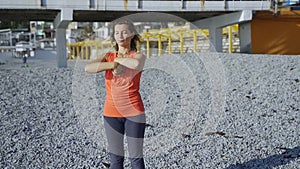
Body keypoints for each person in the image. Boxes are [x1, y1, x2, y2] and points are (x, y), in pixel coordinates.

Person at [85, 19, 146, 169]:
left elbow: (135, 64)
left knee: (136, 159)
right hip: (111, 113)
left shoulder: (138, 56)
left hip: (134, 112)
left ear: (132, 34)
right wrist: (111, 65)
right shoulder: (108, 56)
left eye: (124, 32)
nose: (120, 35)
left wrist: (117, 59)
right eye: (117, 32)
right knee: (115, 160)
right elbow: (88, 67)